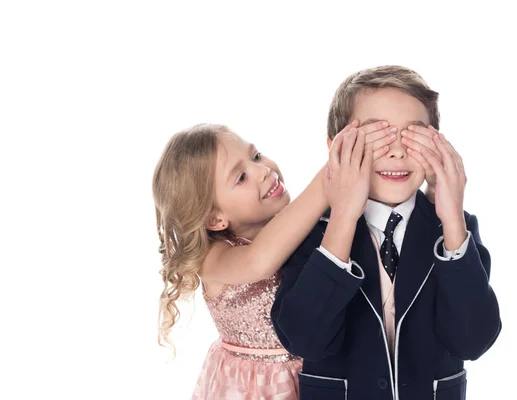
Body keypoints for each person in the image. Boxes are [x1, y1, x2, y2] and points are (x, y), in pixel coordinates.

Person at [271, 65, 501, 400]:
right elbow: (305, 339)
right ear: (336, 149)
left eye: (413, 136)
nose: (397, 150)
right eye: (377, 136)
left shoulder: (456, 232)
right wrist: (344, 218)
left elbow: (473, 339)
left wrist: (452, 220)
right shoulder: (309, 233)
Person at [152, 121, 397, 399]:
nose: (263, 170)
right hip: (255, 389)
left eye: (256, 156)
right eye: (241, 177)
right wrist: (330, 176)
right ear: (213, 218)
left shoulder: (304, 229)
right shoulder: (213, 259)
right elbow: (259, 261)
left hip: (321, 375)